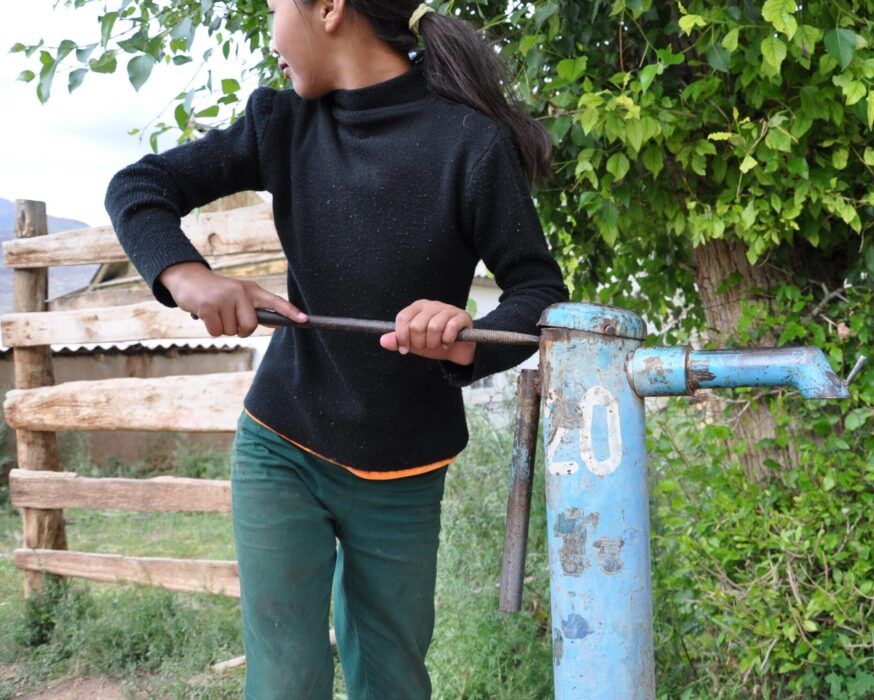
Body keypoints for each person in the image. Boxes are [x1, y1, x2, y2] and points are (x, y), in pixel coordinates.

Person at [104, 0, 568, 697]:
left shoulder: (470, 145)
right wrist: (188, 277)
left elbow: (537, 292)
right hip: (281, 442)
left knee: (392, 679)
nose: (271, 38)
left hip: (406, 470)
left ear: (327, 9)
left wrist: (463, 339)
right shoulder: (279, 123)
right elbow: (140, 186)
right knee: (286, 678)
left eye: (271, 10)